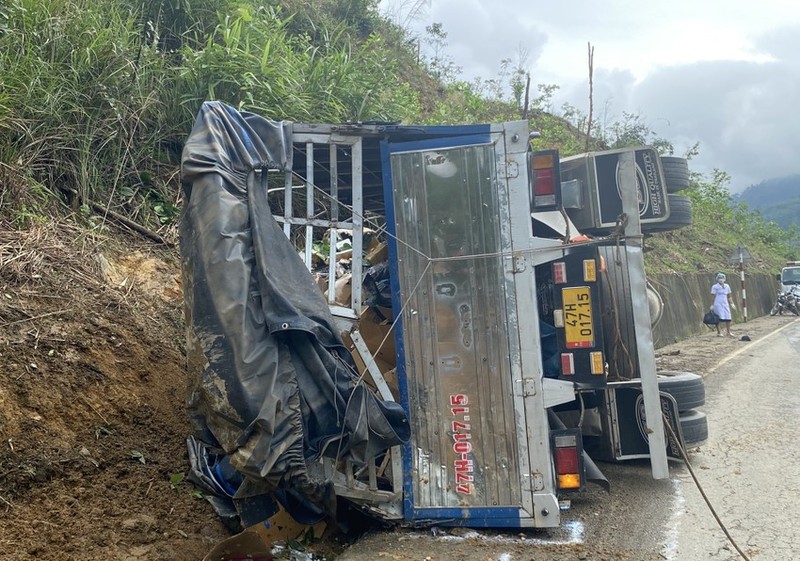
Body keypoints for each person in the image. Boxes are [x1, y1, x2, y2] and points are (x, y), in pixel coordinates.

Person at [710, 272, 735, 337]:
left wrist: (732, 303)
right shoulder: (715, 287)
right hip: (717, 303)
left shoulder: (727, 286)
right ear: (717, 279)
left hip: (725, 303)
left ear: (724, 279)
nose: (721, 280)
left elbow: (729, 296)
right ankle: (719, 332)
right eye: (719, 278)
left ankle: (728, 332)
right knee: (718, 318)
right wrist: (712, 304)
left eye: (722, 278)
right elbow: (713, 296)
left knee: (728, 317)